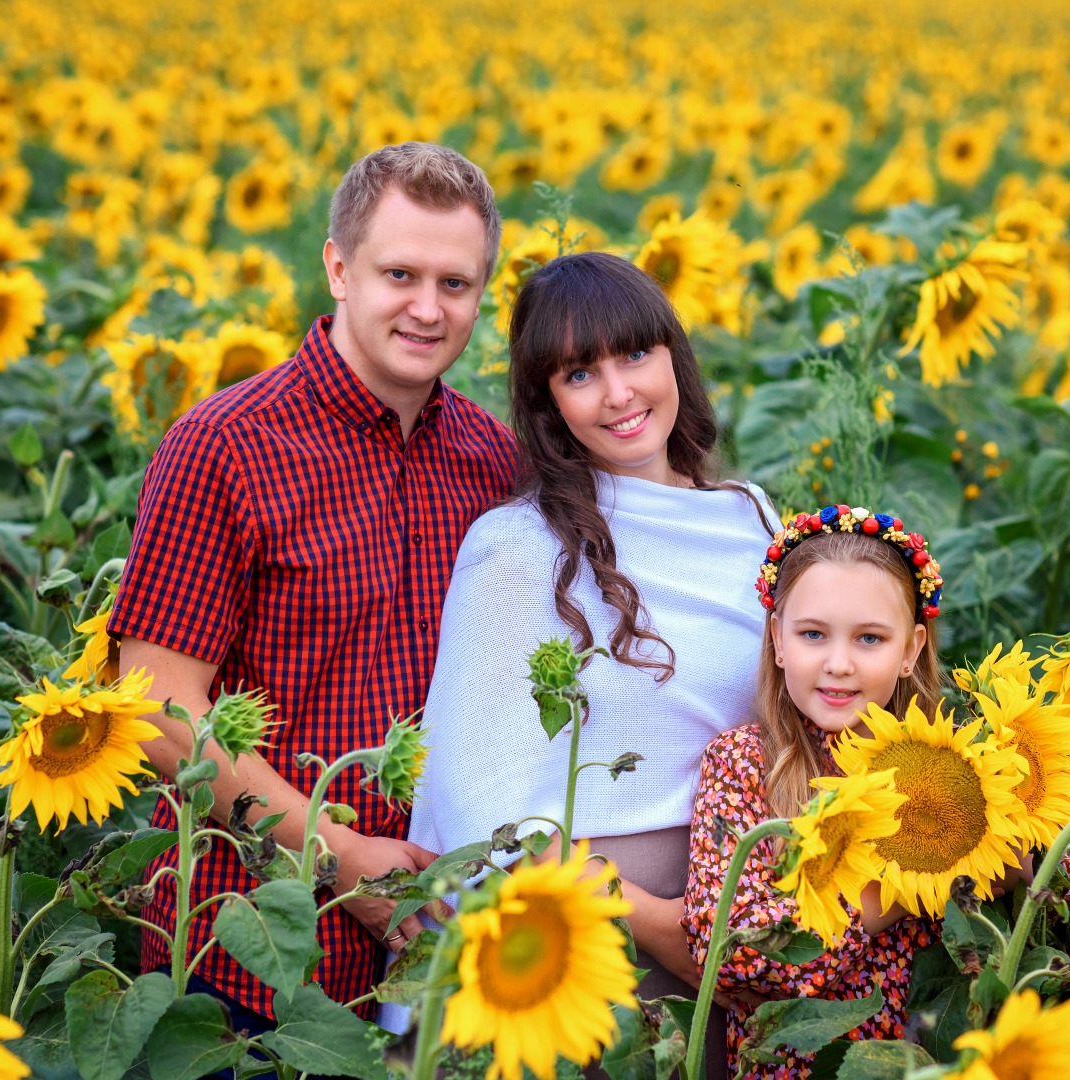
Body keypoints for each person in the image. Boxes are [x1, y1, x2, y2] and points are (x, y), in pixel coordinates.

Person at [107, 142, 522, 1030]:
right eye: (399, 273)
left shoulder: (493, 458)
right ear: (338, 268)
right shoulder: (227, 445)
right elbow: (156, 704)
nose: (428, 308)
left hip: (442, 955)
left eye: (457, 284)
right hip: (250, 955)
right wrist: (336, 860)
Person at [403, 252, 776, 1076]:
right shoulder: (516, 548)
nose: (619, 394)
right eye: (580, 373)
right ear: (548, 405)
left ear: (674, 356)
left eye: (636, 355)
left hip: (750, 931)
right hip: (597, 950)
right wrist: (657, 925)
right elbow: (479, 807)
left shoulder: (748, 516)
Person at [683, 512, 951, 1080]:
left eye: (870, 638)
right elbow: (732, 954)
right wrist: (901, 884)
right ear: (778, 638)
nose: (838, 663)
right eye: (813, 634)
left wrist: (1024, 873)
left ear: (911, 649)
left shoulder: (957, 768)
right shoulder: (743, 767)